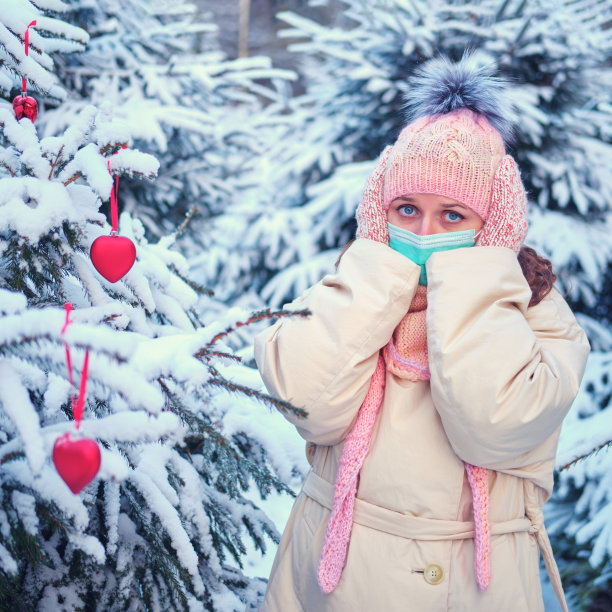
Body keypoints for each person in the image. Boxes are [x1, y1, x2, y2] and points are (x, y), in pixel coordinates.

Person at [254, 55, 590, 612]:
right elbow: (309, 402)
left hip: (476, 591)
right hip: (333, 585)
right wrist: (379, 274)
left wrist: (471, 281)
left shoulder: (537, 314)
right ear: (377, 212)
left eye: (453, 215)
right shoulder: (351, 289)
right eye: (406, 209)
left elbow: (493, 423)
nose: (424, 231)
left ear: (495, 222)